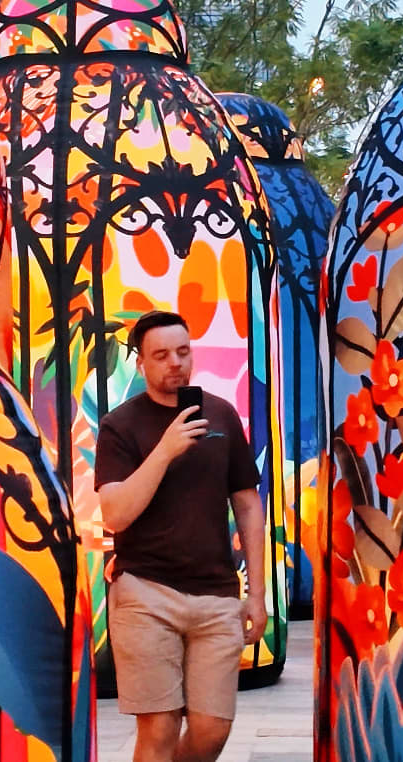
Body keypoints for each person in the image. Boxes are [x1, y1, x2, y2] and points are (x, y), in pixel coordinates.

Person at [96, 309, 268, 762]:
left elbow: (248, 505)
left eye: (183, 351)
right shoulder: (121, 426)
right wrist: (165, 450)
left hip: (216, 595)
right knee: (159, 728)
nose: (175, 362)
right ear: (141, 364)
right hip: (145, 593)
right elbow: (115, 514)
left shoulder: (223, 415)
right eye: (161, 355)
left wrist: (257, 595)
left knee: (212, 730)